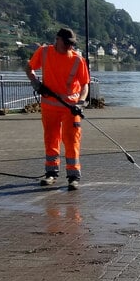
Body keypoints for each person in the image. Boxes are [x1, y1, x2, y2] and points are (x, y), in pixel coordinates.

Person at [24, 28, 90, 190]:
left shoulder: (77, 60)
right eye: (67, 43)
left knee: (71, 140)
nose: (69, 46)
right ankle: (51, 173)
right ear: (57, 40)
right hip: (49, 106)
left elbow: (85, 85)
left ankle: (73, 176)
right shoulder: (44, 52)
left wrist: (80, 103)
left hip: (70, 108)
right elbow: (29, 68)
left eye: (72, 44)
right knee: (51, 138)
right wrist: (36, 84)